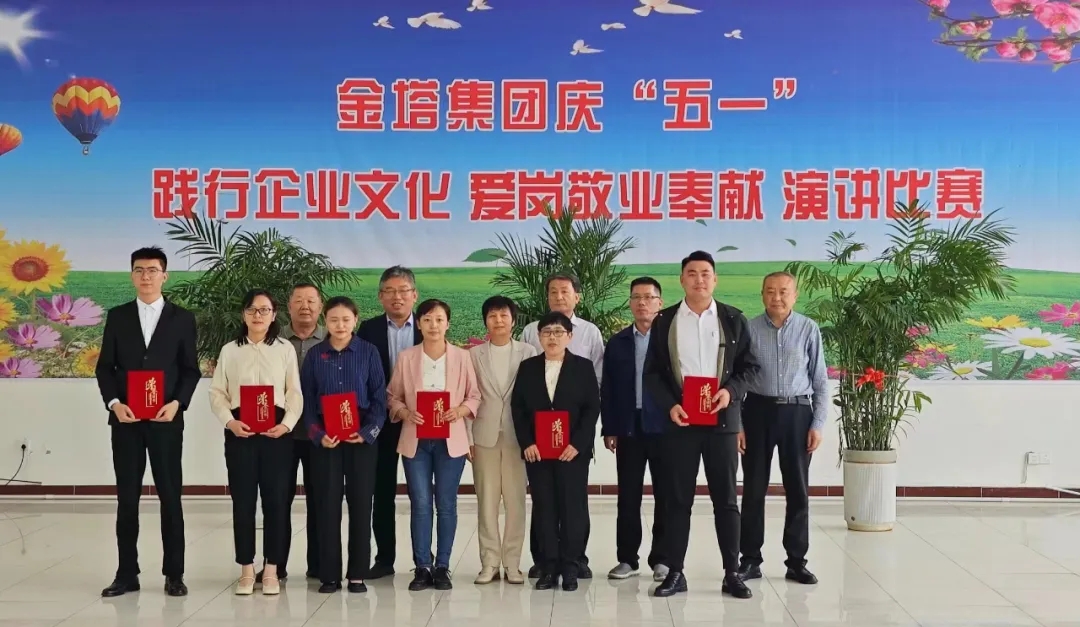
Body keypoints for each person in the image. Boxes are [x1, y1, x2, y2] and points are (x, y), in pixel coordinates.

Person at [643, 250, 760, 599]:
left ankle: (732, 572)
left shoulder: (733, 319)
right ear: (682, 280)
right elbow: (652, 374)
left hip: (722, 422)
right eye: (692, 273)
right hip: (681, 422)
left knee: (726, 500)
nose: (699, 279)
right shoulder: (665, 321)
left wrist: (729, 392)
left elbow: (750, 368)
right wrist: (671, 405)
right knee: (677, 500)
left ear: (715, 279)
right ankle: (675, 572)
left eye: (705, 273)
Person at [94, 246, 201, 598]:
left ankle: (174, 574)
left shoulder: (182, 318)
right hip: (126, 422)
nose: (146, 276)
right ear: (132, 276)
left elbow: (190, 370)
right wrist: (114, 404)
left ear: (164, 276)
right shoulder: (118, 316)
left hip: (165, 421)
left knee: (171, 497)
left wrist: (177, 404)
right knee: (127, 498)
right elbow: (105, 368)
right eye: (139, 270)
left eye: (152, 270)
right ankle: (126, 573)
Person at [208, 289, 303, 596]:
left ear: (274, 315)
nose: (258, 315)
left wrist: (286, 425)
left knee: (276, 502)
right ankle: (246, 569)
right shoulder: (230, 350)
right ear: (243, 315)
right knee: (244, 502)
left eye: (264, 310)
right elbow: (217, 393)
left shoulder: (285, 349)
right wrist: (230, 422)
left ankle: (272, 569)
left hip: (277, 434)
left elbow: (294, 393)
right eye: (252, 310)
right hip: (241, 433)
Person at [738, 271, 827, 586]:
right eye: (770, 291)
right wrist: (737, 424)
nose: (777, 297)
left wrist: (818, 423)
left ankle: (797, 562)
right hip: (756, 412)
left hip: (797, 413)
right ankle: (750, 560)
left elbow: (820, 380)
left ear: (795, 295)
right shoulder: (748, 329)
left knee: (798, 490)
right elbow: (736, 379)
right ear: (762, 294)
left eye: (783, 291)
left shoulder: (808, 328)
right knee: (753, 489)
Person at [388, 298, 482, 591]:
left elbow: (474, 396)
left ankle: (442, 565)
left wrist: (460, 410)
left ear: (448, 324)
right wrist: (405, 412)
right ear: (418, 324)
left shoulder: (462, 357)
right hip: (416, 440)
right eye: (427, 319)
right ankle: (422, 567)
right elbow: (392, 396)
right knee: (420, 504)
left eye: (439, 319)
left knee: (446, 504)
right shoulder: (407, 358)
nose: (433, 325)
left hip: (450, 440)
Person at [519, 272, 604, 579]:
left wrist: (579, 442)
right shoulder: (529, 349)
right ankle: (545, 562)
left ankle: (574, 561)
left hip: (573, 443)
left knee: (573, 503)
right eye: (552, 291)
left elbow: (594, 398)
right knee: (543, 503)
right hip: (538, 445)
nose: (552, 337)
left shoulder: (589, 337)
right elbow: (520, 405)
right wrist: (528, 441)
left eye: (564, 291)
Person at [301, 296, 387, 594]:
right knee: (327, 505)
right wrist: (317, 434)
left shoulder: (368, 352)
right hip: (327, 439)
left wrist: (367, 432)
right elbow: (306, 400)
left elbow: (379, 399)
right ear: (325, 321)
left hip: (360, 439)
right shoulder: (315, 355)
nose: (340, 325)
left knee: (361, 504)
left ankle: (357, 574)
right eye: (334, 319)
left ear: (355, 320)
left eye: (346, 319)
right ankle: (329, 575)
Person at [355, 266, 422, 580]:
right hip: (380, 422)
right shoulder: (367, 330)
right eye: (390, 291)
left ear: (414, 295)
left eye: (403, 290)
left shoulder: (427, 326)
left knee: (422, 494)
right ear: (380, 296)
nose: (398, 297)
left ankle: (426, 561)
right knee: (381, 492)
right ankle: (384, 559)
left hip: (419, 421)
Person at [601, 277, 670, 582]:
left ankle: (662, 559)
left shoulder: (670, 339)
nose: (642, 303)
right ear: (630, 303)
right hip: (629, 428)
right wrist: (610, 428)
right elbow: (609, 389)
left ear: (660, 303)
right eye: (636, 297)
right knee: (628, 496)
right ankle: (627, 559)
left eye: (649, 297)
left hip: (664, 427)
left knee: (665, 494)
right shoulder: (618, 342)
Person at [468, 295, 538, 585]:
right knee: (486, 502)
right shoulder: (473, 355)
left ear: (513, 320)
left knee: (515, 502)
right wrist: (466, 437)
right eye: (492, 315)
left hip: (517, 436)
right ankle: (489, 563)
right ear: (485, 321)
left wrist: (533, 436)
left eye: (504, 315)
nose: (498, 320)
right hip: (483, 435)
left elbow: (535, 396)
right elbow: (467, 395)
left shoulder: (529, 352)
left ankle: (512, 563)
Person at [269, 282, 326, 584]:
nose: (305, 306)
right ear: (288, 306)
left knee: (321, 501)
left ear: (321, 307)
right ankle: (275, 565)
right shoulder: (273, 341)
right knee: (278, 501)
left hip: (321, 435)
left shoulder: (332, 339)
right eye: (299, 301)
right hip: (282, 435)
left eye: (311, 301)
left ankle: (318, 565)